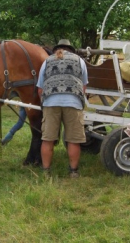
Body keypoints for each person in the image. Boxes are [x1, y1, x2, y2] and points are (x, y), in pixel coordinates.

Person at [38, 39, 88, 178]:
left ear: (57, 49)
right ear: (70, 49)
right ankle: (73, 172)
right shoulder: (80, 61)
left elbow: (40, 89)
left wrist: (45, 104)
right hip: (73, 102)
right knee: (73, 139)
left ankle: (46, 172)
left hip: (51, 102)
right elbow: (83, 87)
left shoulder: (47, 61)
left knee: (47, 139)